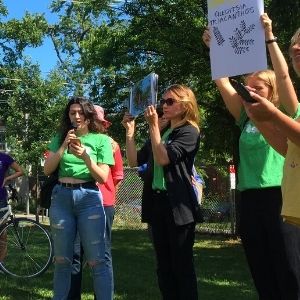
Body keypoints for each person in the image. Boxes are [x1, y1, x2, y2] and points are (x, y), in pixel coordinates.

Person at [203, 20, 299, 299]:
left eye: (258, 88)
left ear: (272, 93)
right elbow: (221, 81)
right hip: (250, 199)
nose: (250, 92)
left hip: (280, 196)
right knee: (261, 269)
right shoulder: (246, 116)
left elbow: (284, 77)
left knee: (290, 270)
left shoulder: (286, 113)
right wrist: (214, 49)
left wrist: (269, 36)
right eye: (247, 87)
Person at [122, 84, 201, 300]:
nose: (162, 106)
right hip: (157, 204)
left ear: (185, 105)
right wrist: (130, 133)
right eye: (162, 101)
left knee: (181, 267)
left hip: (178, 206)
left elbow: (163, 159)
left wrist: (154, 127)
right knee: (163, 267)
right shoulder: (163, 131)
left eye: (170, 102)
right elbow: (134, 161)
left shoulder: (188, 131)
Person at [44, 96, 114, 300]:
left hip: (89, 198)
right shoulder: (60, 137)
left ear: (88, 114)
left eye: (80, 112)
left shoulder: (101, 140)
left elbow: (102, 177)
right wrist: (63, 145)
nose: (76, 116)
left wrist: (85, 156)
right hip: (61, 198)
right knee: (62, 260)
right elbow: (48, 169)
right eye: (72, 112)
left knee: (97, 260)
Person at [67, 105, 124, 300]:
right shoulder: (74, 141)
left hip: (103, 204)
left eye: (100, 121)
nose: (96, 124)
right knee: (74, 253)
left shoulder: (111, 145)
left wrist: (105, 195)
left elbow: (116, 177)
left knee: (101, 255)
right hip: (77, 201)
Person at [0, 152, 23, 262]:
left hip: (1, 198)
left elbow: (20, 171)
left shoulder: (4, 157)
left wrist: (7, 178)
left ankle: (1, 263)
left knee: (2, 233)